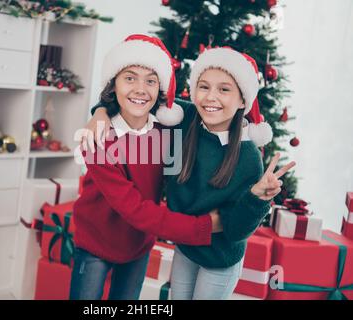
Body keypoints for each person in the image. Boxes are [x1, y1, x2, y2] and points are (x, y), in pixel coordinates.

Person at [84, 46, 296, 299]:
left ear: (242, 101)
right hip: (186, 247)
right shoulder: (182, 119)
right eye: (204, 87)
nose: (211, 97)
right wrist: (100, 111)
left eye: (224, 89)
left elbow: (236, 230)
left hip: (219, 259)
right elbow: (138, 98)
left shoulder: (248, 158)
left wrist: (258, 197)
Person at [70, 35, 223, 300]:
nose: (141, 89)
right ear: (113, 85)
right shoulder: (96, 140)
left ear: (160, 89)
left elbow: (214, 110)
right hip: (96, 241)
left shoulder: (169, 127)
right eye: (130, 78)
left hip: (138, 244)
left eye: (151, 80)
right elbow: (135, 210)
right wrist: (204, 227)